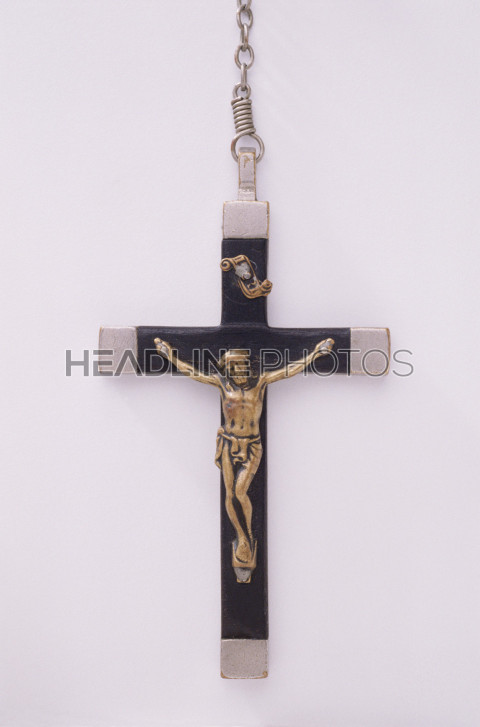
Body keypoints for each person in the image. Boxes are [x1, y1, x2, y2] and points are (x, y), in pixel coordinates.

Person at [154, 337, 334, 581]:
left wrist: (315, 354)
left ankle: (247, 534)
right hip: (229, 443)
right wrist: (170, 356)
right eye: (235, 367)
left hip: (251, 445)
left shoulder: (260, 382)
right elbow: (194, 373)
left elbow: (289, 370)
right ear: (228, 369)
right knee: (230, 494)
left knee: (241, 491)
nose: (240, 371)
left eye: (243, 366)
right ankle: (241, 537)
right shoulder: (222, 384)